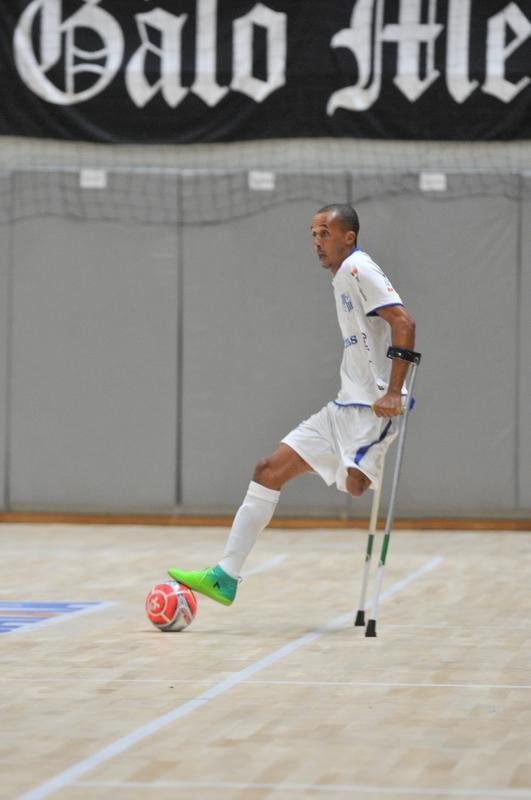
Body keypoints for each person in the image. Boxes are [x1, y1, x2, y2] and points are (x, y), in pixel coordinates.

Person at [168, 203, 416, 605]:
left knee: (356, 487)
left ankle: (370, 456)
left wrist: (392, 393)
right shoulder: (340, 276)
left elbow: (404, 322)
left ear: (348, 237)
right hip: (341, 408)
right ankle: (224, 576)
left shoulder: (359, 269)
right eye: (313, 234)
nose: (317, 242)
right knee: (267, 470)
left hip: (373, 410)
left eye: (325, 234)